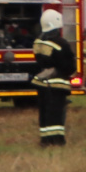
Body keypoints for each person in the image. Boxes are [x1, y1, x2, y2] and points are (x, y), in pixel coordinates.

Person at [31, 8, 72, 146]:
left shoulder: (37, 42)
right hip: (57, 84)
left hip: (41, 83)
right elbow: (69, 66)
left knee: (44, 112)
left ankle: (45, 140)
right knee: (56, 113)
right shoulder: (61, 43)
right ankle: (57, 140)